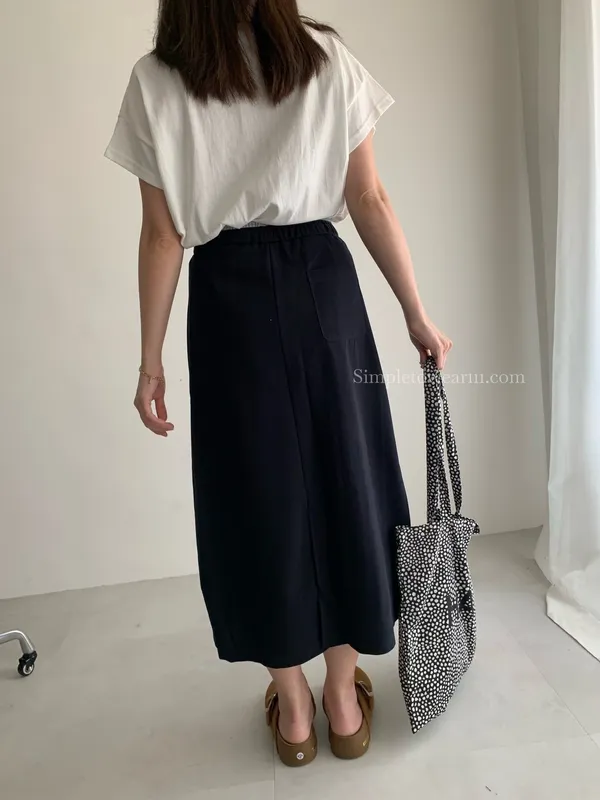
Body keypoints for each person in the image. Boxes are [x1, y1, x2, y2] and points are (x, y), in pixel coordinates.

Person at [105, 0, 451, 768]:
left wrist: (150, 361)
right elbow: (369, 197)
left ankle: (294, 711)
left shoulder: (157, 80)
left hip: (227, 303)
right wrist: (415, 313)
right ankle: (342, 698)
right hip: (323, 287)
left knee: (253, 498)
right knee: (347, 480)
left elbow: (162, 234)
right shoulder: (323, 57)